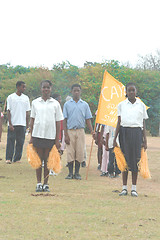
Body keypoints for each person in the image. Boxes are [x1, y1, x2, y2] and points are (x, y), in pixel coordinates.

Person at [113, 82, 148, 197]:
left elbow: (143, 123)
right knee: (125, 161)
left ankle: (134, 188)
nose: (131, 92)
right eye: (129, 90)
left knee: (135, 161)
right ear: (126, 92)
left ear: (136, 91)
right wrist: (115, 138)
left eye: (133, 90)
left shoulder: (141, 105)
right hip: (124, 133)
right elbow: (119, 122)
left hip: (137, 133)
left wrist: (145, 139)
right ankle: (124, 188)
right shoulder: (121, 105)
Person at [29, 80, 64, 192]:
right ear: (41, 88)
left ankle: (46, 183)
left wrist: (57, 139)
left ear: (51, 89)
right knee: (38, 161)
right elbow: (32, 120)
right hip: (38, 135)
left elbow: (58, 122)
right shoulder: (35, 102)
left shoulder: (55, 104)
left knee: (48, 161)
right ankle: (38, 183)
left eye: (48, 87)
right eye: (44, 87)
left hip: (50, 136)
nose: (46, 89)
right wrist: (31, 136)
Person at [63, 83, 94, 180]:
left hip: (80, 131)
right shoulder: (67, 104)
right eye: (74, 90)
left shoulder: (84, 104)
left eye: (78, 90)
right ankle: (70, 173)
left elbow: (88, 119)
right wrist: (65, 134)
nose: (76, 92)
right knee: (70, 152)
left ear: (80, 92)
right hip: (70, 131)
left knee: (79, 152)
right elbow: (64, 119)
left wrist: (92, 131)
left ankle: (77, 173)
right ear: (71, 92)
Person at [6, 81, 30, 164]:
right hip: (13, 123)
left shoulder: (26, 98)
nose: (24, 88)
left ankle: (17, 158)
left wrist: (27, 125)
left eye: (25, 87)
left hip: (22, 124)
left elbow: (27, 112)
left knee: (20, 142)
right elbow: (8, 111)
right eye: (23, 87)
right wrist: (10, 123)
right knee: (11, 141)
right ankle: (8, 158)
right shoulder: (11, 97)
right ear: (18, 87)